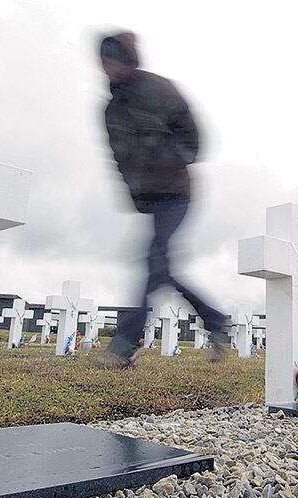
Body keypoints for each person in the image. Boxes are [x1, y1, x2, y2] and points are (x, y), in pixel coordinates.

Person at [97, 31, 229, 369]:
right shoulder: (111, 110)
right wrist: (135, 190)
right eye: (104, 59)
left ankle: (125, 345)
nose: (108, 65)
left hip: (178, 194)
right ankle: (215, 321)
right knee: (161, 268)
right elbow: (116, 158)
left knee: (154, 262)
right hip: (151, 199)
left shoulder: (157, 89)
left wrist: (176, 160)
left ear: (126, 58)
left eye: (113, 58)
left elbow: (193, 131)